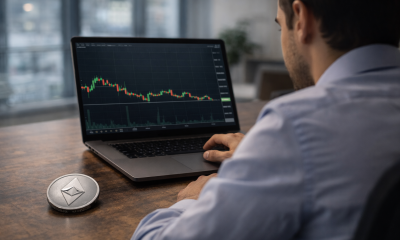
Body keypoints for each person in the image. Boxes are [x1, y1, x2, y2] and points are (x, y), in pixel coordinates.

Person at [132, 0, 400, 239]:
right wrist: (263, 155)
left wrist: (193, 201)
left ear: (301, 19)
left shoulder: (294, 126)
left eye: (280, 26)